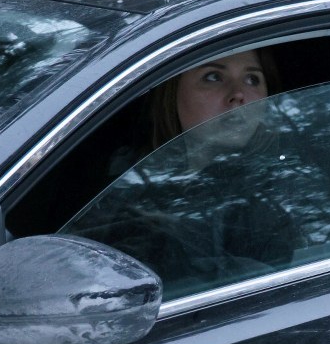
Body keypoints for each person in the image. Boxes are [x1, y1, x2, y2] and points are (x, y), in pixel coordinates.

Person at [70, 48, 298, 293]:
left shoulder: (280, 191)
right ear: (171, 93)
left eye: (252, 79)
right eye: (213, 77)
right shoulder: (117, 186)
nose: (238, 93)